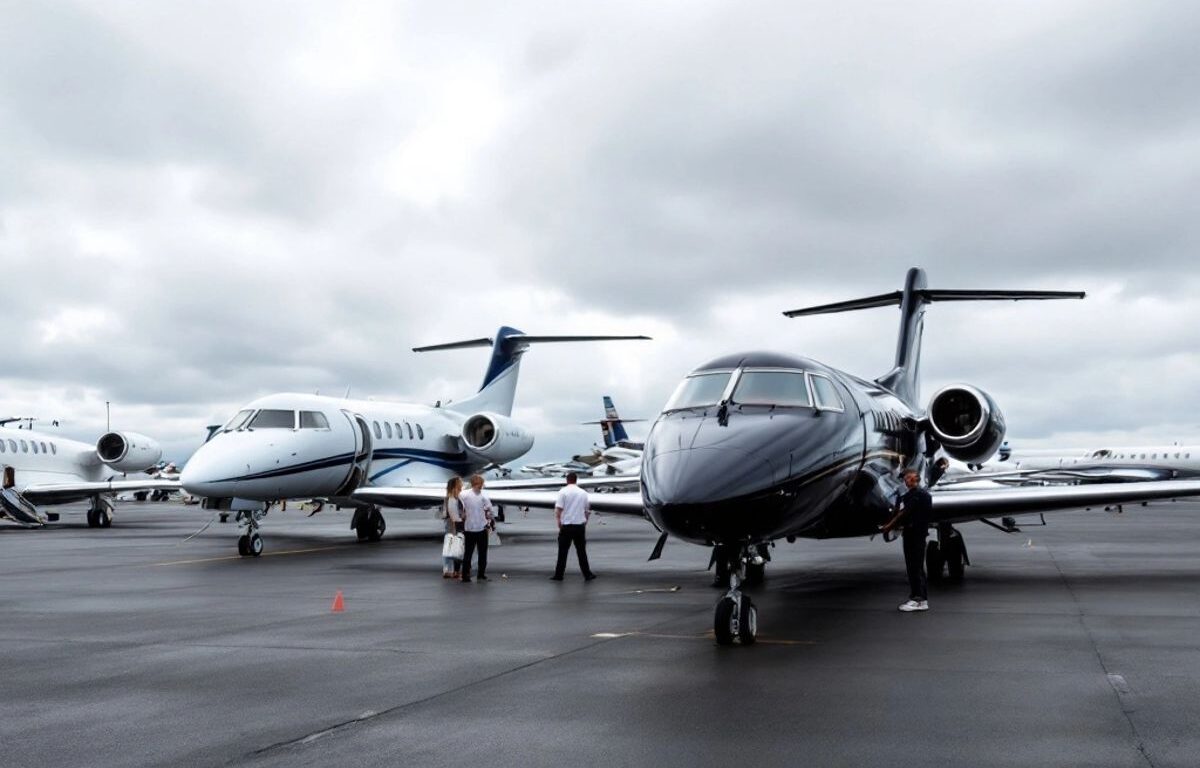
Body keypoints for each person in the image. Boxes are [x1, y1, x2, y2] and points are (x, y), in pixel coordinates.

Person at [881, 468, 933, 612]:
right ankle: (921, 600)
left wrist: (888, 526)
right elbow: (901, 510)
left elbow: (903, 514)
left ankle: (918, 599)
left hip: (916, 536)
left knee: (915, 567)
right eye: (905, 479)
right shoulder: (910, 495)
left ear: (917, 479)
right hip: (911, 535)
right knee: (915, 567)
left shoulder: (920, 495)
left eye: (909, 478)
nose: (906, 481)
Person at [551, 472, 596, 581]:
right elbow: (587, 510)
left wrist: (558, 521)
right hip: (579, 526)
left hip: (566, 526)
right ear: (576, 480)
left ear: (567, 480)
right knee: (581, 551)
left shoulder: (563, 492)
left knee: (562, 552)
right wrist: (585, 521)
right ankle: (587, 574)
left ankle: (559, 575)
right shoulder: (583, 493)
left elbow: (559, 509)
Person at [459, 474, 494, 582]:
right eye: (480, 484)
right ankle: (477, 574)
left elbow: (490, 510)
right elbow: (490, 511)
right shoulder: (482, 496)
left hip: (477, 528)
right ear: (476, 484)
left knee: (474, 553)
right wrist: (489, 515)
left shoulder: (464, 494)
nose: (481, 486)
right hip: (473, 528)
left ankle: (472, 574)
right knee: (475, 553)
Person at [441, 477, 464, 579]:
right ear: (456, 485)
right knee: (453, 546)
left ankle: (451, 570)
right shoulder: (452, 498)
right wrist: (456, 527)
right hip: (454, 525)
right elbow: (452, 514)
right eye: (460, 483)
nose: (462, 484)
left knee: (451, 546)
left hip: (453, 525)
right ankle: (449, 570)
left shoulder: (453, 497)